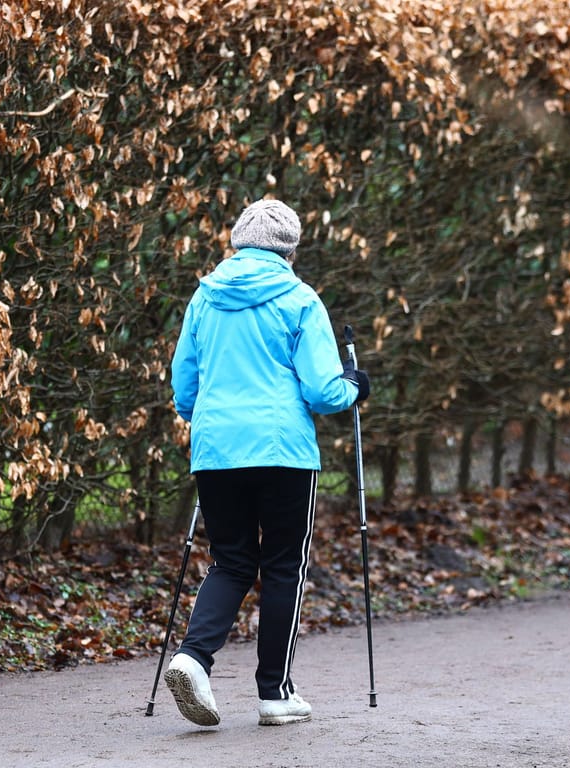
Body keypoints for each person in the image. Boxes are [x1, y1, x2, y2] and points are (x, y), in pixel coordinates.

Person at [165, 198, 370, 727]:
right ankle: (275, 694)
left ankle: (192, 658)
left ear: (236, 243)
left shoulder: (204, 298)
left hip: (216, 449)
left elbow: (184, 387)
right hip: (282, 452)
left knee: (231, 560)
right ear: (291, 250)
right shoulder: (299, 298)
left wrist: (209, 415)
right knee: (284, 565)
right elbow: (324, 392)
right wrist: (355, 386)